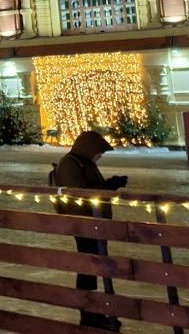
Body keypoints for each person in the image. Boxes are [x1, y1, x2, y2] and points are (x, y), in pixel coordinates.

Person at [52, 130, 127, 331]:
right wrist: (108, 185)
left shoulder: (85, 163)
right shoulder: (70, 164)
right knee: (88, 269)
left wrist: (109, 186)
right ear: (88, 149)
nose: (100, 156)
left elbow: (93, 187)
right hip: (83, 225)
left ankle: (97, 312)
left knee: (95, 268)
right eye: (98, 152)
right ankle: (88, 314)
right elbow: (79, 194)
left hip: (96, 224)